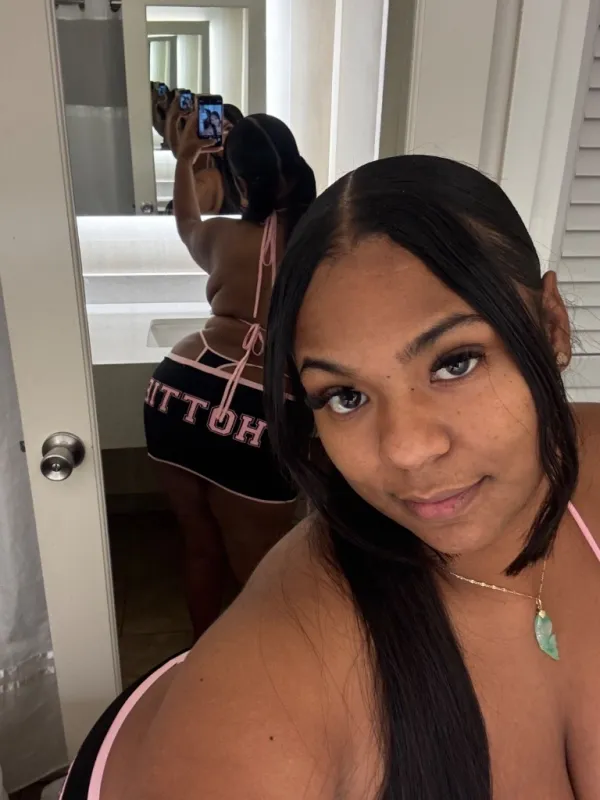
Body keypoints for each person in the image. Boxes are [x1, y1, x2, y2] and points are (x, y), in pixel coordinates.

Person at [60, 155, 600, 799]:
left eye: (456, 362)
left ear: (552, 325)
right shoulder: (278, 678)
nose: (406, 451)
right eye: (345, 396)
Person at [144, 111, 317, 640]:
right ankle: (264, 674)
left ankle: (201, 657)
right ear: (294, 166)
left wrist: (184, 161)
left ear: (239, 181)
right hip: (258, 410)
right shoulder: (321, 250)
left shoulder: (221, 236)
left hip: (177, 388)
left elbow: (186, 223)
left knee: (200, 547)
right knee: (262, 575)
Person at [164, 100, 244, 215]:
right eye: (217, 131)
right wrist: (173, 119)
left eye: (228, 129)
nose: (222, 136)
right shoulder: (209, 180)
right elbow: (180, 221)